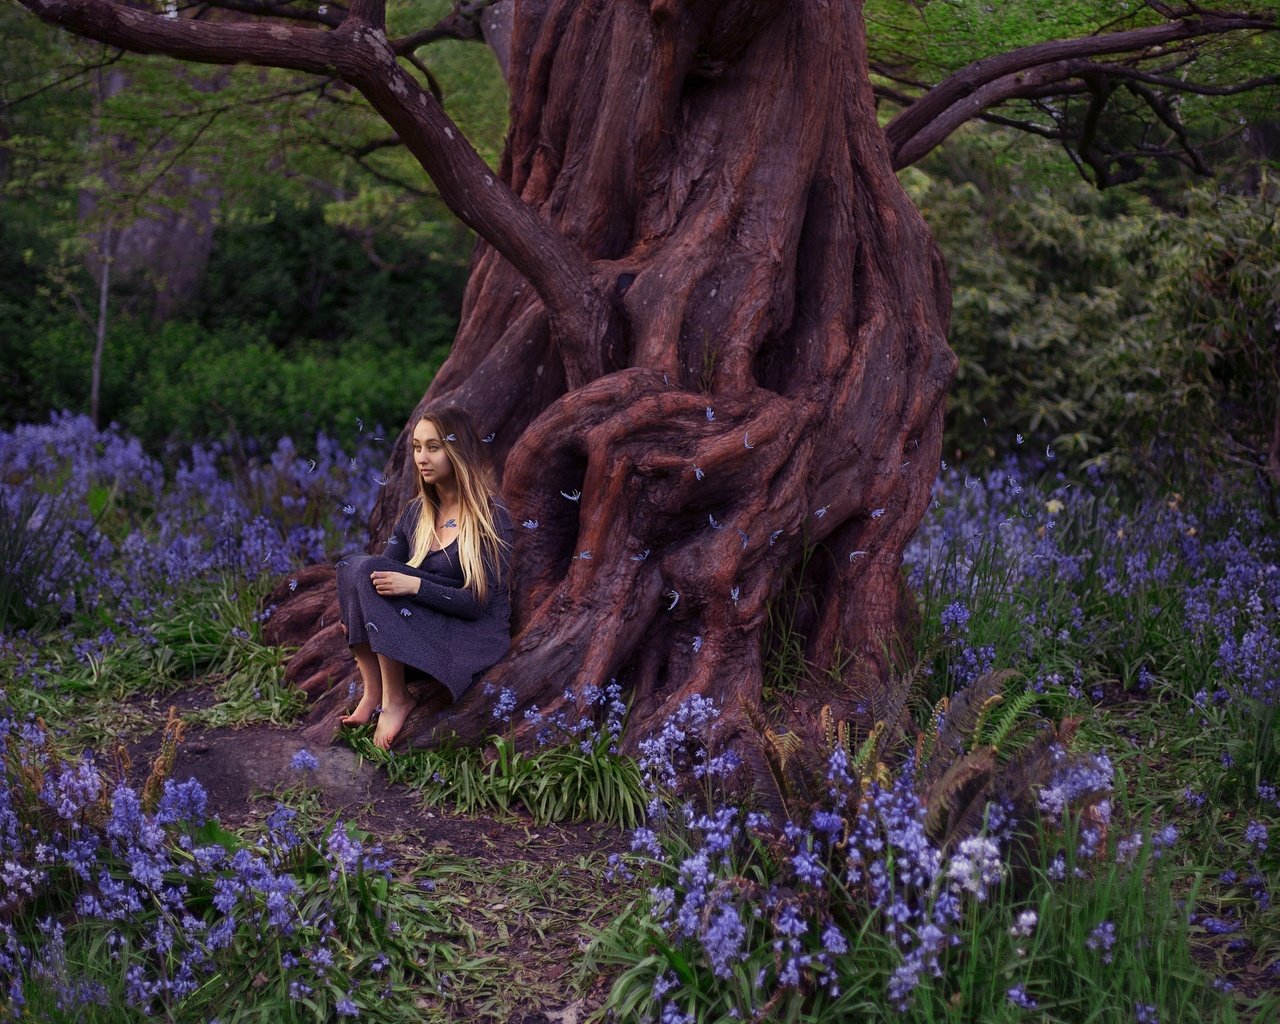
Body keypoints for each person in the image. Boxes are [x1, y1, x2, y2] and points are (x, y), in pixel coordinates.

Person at [335, 407, 513, 750]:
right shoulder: (416, 512)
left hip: (470, 635)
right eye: (417, 447)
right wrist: (356, 608)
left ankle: (396, 699)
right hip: (424, 626)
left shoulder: (491, 518)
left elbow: (477, 604)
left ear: (459, 451)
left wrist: (414, 585)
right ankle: (375, 692)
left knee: (370, 572)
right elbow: (375, 574)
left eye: (433, 447)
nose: (421, 457)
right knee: (352, 568)